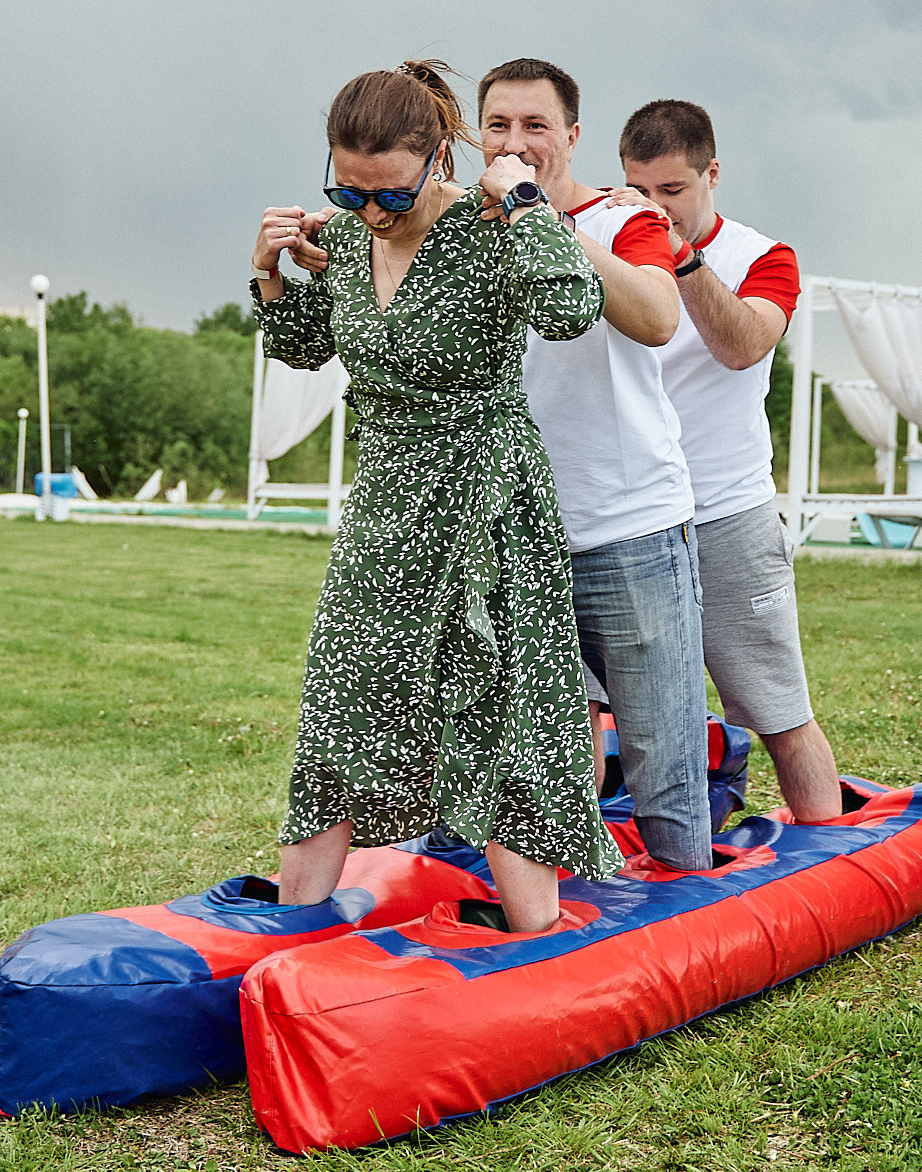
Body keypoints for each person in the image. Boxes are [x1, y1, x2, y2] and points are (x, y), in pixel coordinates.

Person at [250, 60, 617, 933]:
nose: (370, 212)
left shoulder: (492, 226)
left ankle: (536, 929)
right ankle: (293, 925)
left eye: (389, 194)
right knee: (344, 700)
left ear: (436, 159)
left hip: (486, 498)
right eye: (349, 193)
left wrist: (528, 199)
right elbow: (308, 346)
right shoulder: (343, 241)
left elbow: (570, 308)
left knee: (497, 701)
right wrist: (270, 278)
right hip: (385, 505)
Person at [475, 57, 713, 874]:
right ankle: (574, 933)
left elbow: (655, 317)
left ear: (570, 136)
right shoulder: (464, 234)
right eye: (499, 125)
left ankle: (692, 923)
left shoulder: (623, 222)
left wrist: (543, 220)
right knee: (542, 759)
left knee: (663, 762)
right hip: (522, 536)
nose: (516, 142)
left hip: (633, 525)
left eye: (535, 126)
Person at [613, 98, 847, 822]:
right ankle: (580, 898)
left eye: (673, 190)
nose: (655, 208)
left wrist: (679, 257)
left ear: (712, 173)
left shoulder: (765, 256)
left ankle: (836, 860)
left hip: (728, 510)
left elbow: (743, 344)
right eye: (640, 191)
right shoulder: (601, 245)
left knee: (778, 709)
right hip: (625, 515)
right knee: (585, 709)